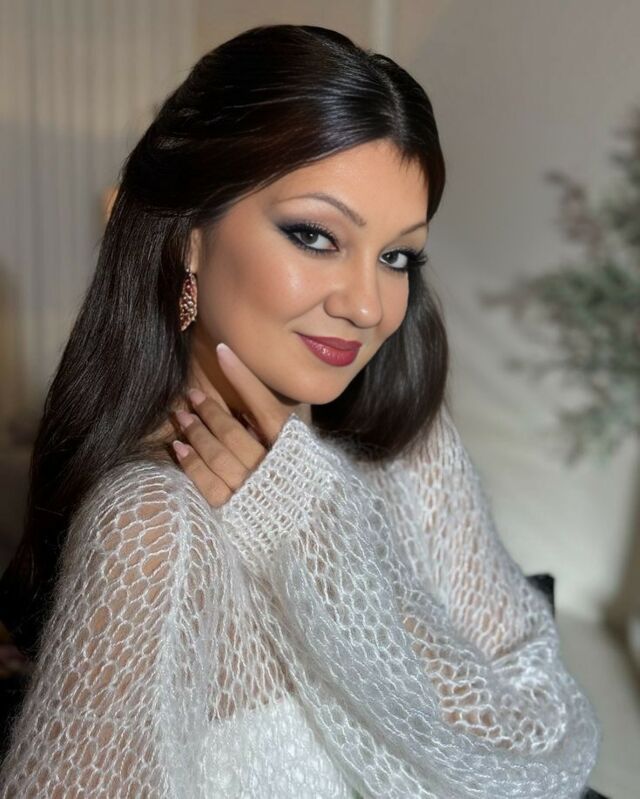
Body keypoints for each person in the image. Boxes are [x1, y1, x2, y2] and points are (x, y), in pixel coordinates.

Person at [0, 23, 602, 798]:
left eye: (397, 256)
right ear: (188, 237)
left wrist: (322, 533)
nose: (367, 305)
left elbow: (550, 748)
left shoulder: (411, 451)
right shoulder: (153, 528)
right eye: (315, 236)